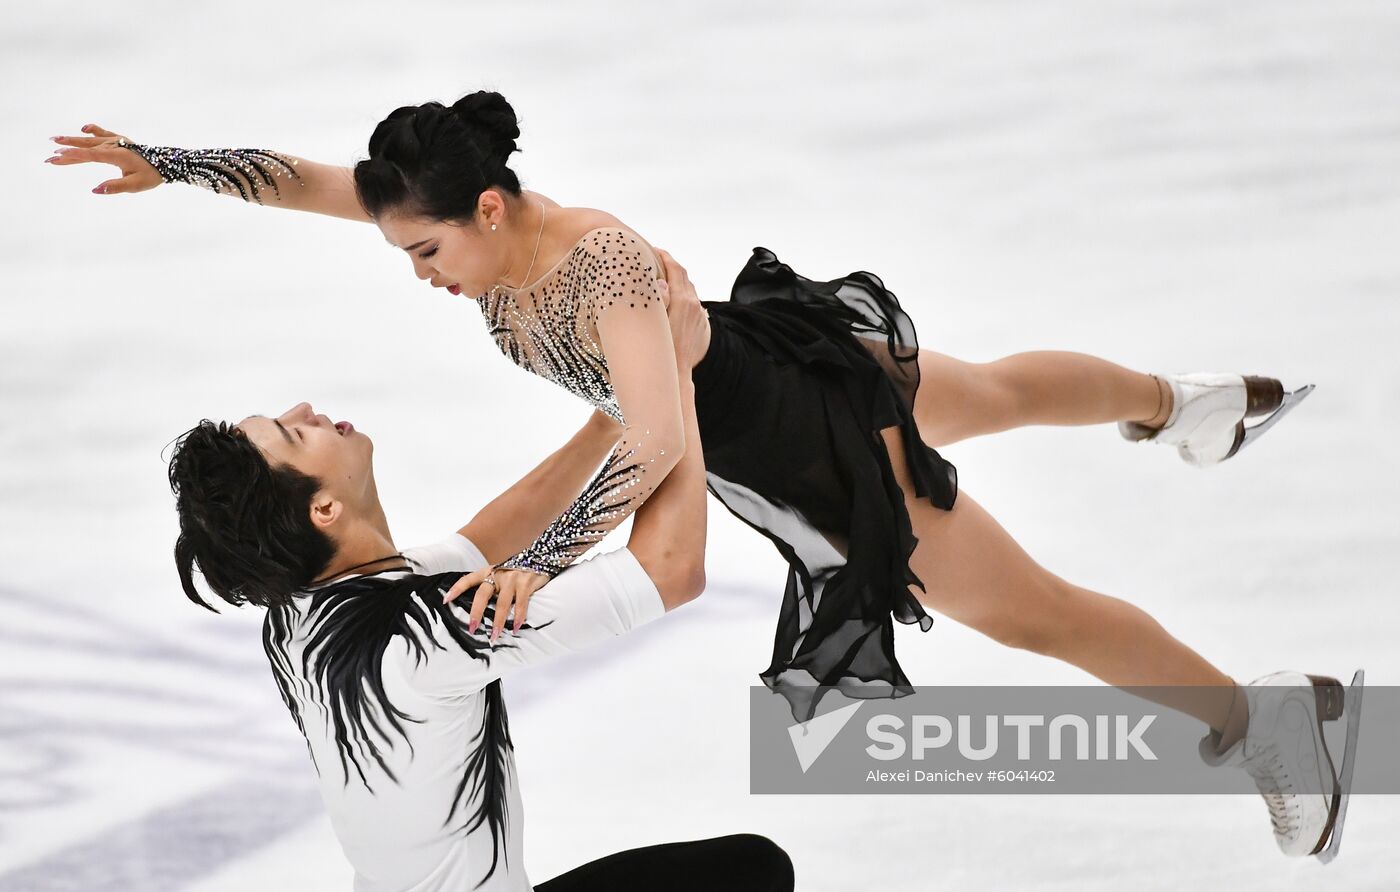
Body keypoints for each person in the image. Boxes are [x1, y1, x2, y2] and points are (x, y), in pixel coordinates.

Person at [50, 92, 1355, 859]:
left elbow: (661, 444)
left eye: (427, 251)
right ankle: (1187, 406)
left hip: (798, 450)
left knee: (1039, 612)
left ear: (490, 213)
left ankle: (1264, 722)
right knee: (1001, 387)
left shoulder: (605, 269)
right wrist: (170, 164)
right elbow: (314, 183)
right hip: (784, 351)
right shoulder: (462, 211)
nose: (419, 276)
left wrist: (536, 564)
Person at [163, 255, 795, 891]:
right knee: (750, 872)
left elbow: (488, 538)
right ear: (322, 509)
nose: (304, 408)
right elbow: (671, 570)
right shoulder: (424, 635)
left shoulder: (305, 614)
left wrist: (618, 414)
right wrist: (673, 379)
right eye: (292, 435)